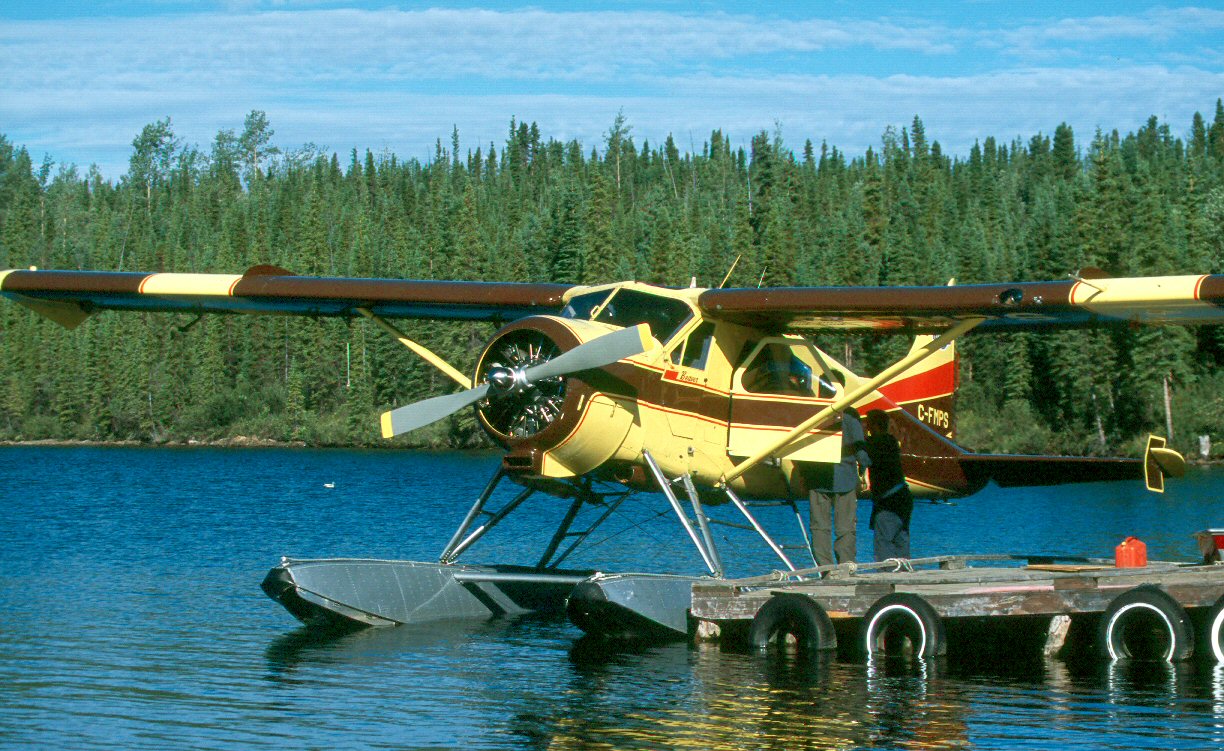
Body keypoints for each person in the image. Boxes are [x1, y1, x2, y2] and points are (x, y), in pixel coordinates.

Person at [808, 406, 869, 566]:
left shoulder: (814, 410)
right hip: (845, 478)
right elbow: (860, 451)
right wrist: (864, 468)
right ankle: (846, 565)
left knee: (819, 527)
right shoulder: (850, 415)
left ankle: (825, 569)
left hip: (817, 477)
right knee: (846, 527)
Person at [863, 409, 914, 561]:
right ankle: (903, 573)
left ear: (875, 426)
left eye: (869, 425)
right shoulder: (890, 441)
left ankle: (886, 576)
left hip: (889, 500)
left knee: (883, 541)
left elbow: (861, 449)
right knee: (900, 538)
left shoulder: (877, 443)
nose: (867, 429)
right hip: (902, 496)